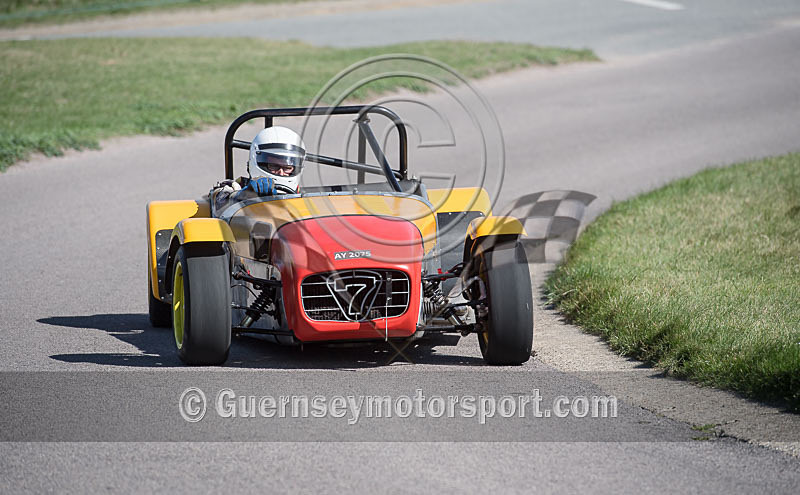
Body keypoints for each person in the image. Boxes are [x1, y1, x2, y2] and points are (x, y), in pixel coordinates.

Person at [211, 126, 306, 211]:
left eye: (288, 168)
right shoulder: (237, 186)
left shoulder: (303, 197)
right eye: (274, 166)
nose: (281, 173)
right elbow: (217, 199)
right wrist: (244, 195)